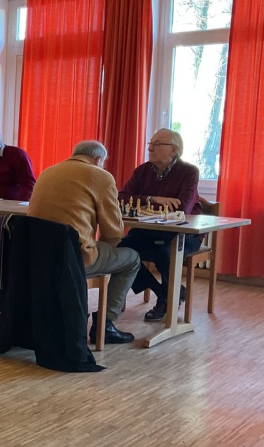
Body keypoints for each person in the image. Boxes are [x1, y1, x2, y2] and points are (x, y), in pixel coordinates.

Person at [28, 141, 140, 344]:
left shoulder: (47, 172)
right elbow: (113, 232)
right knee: (132, 258)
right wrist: (107, 246)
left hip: (37, 255)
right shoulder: (101, 176)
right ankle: (105, 325)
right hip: (75, 256)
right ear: (98, 160)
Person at [118, 128, 203, 321]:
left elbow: (182, 207)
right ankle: (165, 292)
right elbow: (122, 198)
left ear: (174, 150)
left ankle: (164, 301)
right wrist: (153, 199)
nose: (150, 148)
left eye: (157, 144)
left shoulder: (189, 172)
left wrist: (144, 203)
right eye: (150, 143)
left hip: (183, 234)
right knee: (120, 252)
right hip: (147, 231)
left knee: (165, 253)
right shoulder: (142, 170)